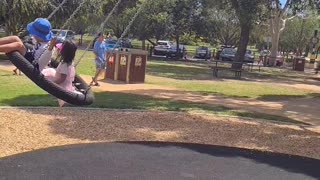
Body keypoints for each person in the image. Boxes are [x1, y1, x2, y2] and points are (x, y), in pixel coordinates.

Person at [42, 39, 78, 107]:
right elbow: (60, 72)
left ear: (64, 52)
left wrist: (52, 84)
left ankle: (64, 108)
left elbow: (62, 79)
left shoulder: (64, 64)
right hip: (63, 83)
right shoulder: (68, 63)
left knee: (63, 101)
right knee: (61, 100)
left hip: (62, 86)